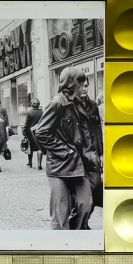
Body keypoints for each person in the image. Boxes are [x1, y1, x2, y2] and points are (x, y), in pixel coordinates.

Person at [32, 67, 93, 230]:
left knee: (85, 205)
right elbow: (41, 132)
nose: (84, 87)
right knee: (60, 212)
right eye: (82, 83)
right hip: (59, 166)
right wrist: (66, 152)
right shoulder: (58, 102)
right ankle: (62, 246)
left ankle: (74, 235)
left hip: (78, 164)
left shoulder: (79, 104)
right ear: (73, 84)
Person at [69, 78, 103, 230]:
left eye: (87, 86)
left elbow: (98, 132)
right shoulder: (69, 106)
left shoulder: (93, 106)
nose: (85, 89)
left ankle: (81, 222)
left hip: (93, 156)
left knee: (95, 190)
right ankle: (79, 224)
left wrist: (101, 154)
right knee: (83, 197)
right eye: (81, 86)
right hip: (77, 157)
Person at [23, 98, 44, 170]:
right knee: (39, 148)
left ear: (32, 104)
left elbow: (27, 124)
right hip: (40, 132)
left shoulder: (29, 113)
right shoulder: (42, 112)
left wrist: (24, 132)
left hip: (31, 133)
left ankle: (30, 162)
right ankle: (39, 165)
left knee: (30, 148)